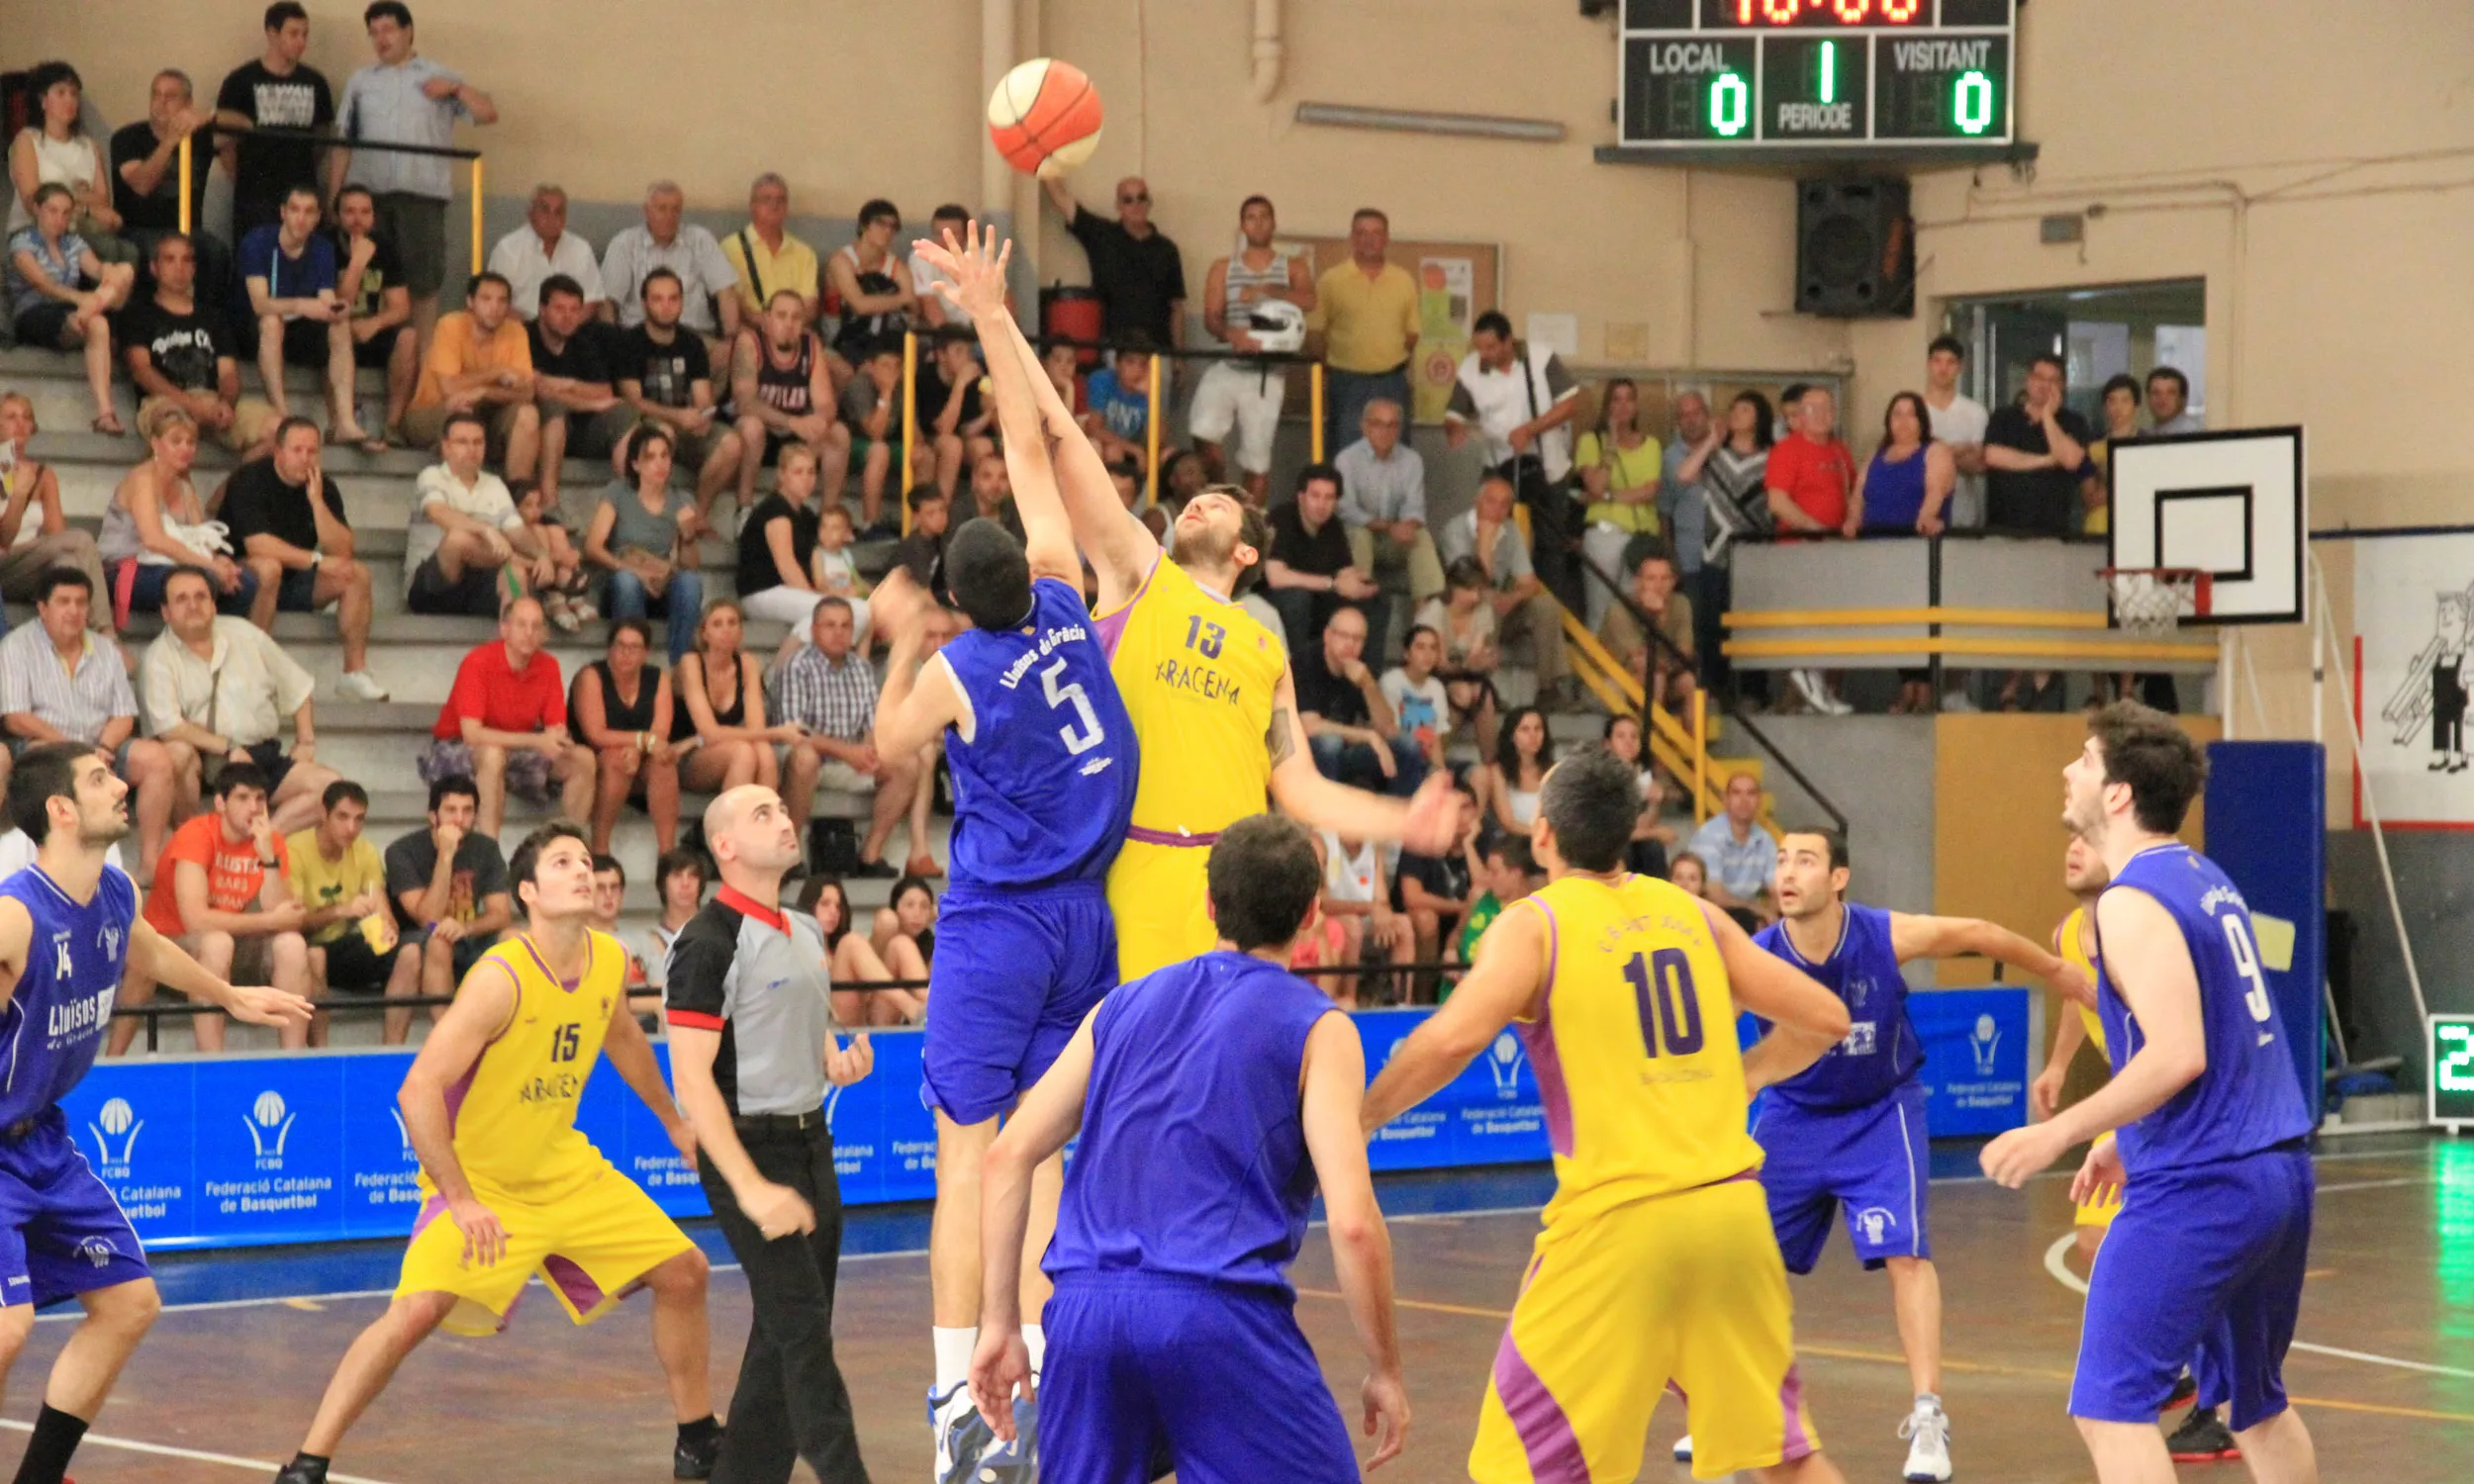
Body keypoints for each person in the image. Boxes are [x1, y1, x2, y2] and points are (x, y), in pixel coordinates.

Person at [910, 226, 1462, 984]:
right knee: (1126, 1080)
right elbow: (1060, 438)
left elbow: (1298, 788)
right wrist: (994, 317)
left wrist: (1406, 821)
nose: (1199, 502)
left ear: (1247, 554)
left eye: (1221, 505)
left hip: (1230, 893)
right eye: (1197, 498)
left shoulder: (1265, 649)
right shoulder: (1142, 573)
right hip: (1135, 867)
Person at [1363, 745, 1856, 1484]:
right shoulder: (1694, 913)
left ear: (1543, 835)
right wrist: (1745, 1078)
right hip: (1730, 1219)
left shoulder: (1535, 926)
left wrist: (1359, 1118)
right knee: (1784, 1460)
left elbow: (1451, 1037)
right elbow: (1826, 1018)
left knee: (1518, 1468)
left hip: (1619, 1230)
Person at [865, 328, 1150, 1470]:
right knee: (1039, 1154)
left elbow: (887, 747)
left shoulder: (957, 668)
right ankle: (1023, 1374)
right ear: (1024, 577)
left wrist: (898, 642)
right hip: (1091, 919)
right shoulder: (1069, 601)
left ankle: (957, 1406)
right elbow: (1032, 457)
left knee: (969, 1157)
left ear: (951, 601)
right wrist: (996, 321)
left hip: (999, 929)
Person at [273, 820, 717, 1484]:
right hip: (484, 1182)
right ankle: (307, 1464)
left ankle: (698, 1441)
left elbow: (621, 1035)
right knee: (414, 1313)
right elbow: (419, 1087)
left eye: (586, 861)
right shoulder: (500, 977)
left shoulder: (605, 957)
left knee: (686, 1272)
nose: (584, 871)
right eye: (564, 863)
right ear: (531, 892)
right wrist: (460, 1197)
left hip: (565, 1171)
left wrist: (675, 1124)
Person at [967, 812, 1405, 1480]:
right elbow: (1352, 1223)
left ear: (1209, 903)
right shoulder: (1321, 1027)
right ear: (1313, 911)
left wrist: (998, 1322)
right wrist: (1384, 1368)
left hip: (1086, 1314)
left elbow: (1006, 1155)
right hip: (1213, 1313)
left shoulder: (1117, 1007)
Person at [1982, 703, 2319, 1484]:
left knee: (2109, 1406)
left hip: (2204, 1188)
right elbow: (2228, 1041)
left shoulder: (2130, 902)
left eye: (2085, 760)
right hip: (2275, 1172)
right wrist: (2123, 1138)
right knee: (2257, 1407)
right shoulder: (2203, 876)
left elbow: (2179, 1054)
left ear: (2119, 795)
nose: (2069, 771)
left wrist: (2056, 1131)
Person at [1709, 828, 2088, 1480]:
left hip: (1880, 1112)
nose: (1788, 872)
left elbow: (1977, 931)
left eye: (1805, 859)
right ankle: (1731, 1404)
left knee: (1906, 1257)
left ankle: (1930, 1418)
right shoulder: (1759, 956)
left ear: (1838, 878)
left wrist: (2055, 970)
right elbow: (1706, 1030)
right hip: (1793, 1118)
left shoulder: (1882, 937)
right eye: (1780, 860)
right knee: (1739, 1260)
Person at [0, 742, 309, 1484]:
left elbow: (147, 950)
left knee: (130, 1303)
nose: (120, 786)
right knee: (9, 1326)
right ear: (61, 810)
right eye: (101, 778)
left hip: (42, 1138)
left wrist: (232, 996)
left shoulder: (113, 892)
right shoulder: (16, 916)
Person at [665, 786, 877, 1484]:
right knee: (805, 1343)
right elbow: (693, 1081)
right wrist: (751, 1189)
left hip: (813, 1147)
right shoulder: (706, 942)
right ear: (724, 847)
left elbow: (803, 1027)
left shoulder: (806, 931)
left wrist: (834, 1061)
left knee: (783, 1337)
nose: (785, 819)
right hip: (747, 1156)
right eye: (763, 814)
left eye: (784, 809)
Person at [330, 0, 498, 342]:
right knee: (366, 277)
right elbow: (343, 140)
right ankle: (373, 358)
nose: (381, 39)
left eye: (388, 29)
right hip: (370, 198)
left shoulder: (438, 77)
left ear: (408, 32)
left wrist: (455, 89)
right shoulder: (361, 82)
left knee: (422, 284)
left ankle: (422, 375)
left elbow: (488, 113)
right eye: (374, 32)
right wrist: (334, 196)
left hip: (421, 198)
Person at [0, 570, 180, 881]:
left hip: (100, 746)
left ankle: (149, 863)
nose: (73, 610)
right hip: (41, 745)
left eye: (81, 602)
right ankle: (49, 863)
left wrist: (105, 748)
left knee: (157, 759)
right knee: (46, 758)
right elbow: (16, 716)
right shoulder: (17, 646)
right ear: (43, 608)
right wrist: (73, 751)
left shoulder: (106, 650)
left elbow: (124, 715)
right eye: (64, 602)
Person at [138, 563, 340, 837]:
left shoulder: (245, 634)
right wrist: (228, 747)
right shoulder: (157, 658)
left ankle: (263, 841)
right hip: (207, 763)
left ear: (213, 604)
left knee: (331, 788)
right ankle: (194, 840)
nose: (193, 605)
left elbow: (299, 687)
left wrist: (306, 741)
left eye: (201, 597)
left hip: (260, 756)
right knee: (176, 753)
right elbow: (169, 726)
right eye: (181, 599)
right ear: (166, 612)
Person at [131, 763, 315, 1053]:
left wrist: (268, 859)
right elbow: (196, 920)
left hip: (232, 947)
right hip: (174, 948)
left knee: (292, 945)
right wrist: (270, 921)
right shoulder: (197, 834)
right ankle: (212, 1061)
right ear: (220, 803)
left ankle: (291, 1060)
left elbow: (286, 919)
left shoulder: (271, 842)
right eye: (242, 798)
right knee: (217, 942)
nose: (254, 808)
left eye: (260, 799)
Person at [218, 417, 387, 698]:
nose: (305, 458)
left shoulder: (323, 487)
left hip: (294, 582)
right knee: (269, 568)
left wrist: (318, 503)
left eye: (312, 451)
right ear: (278, 451)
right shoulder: (250, 479)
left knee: (356, 574)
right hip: (240, 580)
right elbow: (258, 545)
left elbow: (343, 550)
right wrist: (317, 560)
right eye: (297, 450)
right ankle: (252, 668)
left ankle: (354, 674)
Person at [777, 598, 929, 878]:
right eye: (830, 625)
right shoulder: (796, 666)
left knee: (907, 762)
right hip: (807, 759)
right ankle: (790, 855)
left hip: (850, 759)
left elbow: (874, 725)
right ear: (813, 630)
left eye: (846, 626)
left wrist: (870, 751)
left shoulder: (861, 669)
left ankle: (870, 854)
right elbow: (794, 732)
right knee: (804, 758)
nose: (838, 632)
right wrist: (847, 752)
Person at [1446, 311, 1585, 610]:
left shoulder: (1541, 357)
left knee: (1551, 545)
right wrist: (1455, 428)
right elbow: (1453, 414)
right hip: (1498, 469)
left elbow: (1571, 403)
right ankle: (1489, 606)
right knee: (1490, 533)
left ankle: (1548, 612)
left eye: (1491, 347)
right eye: (1479, 347)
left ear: (1509, 341)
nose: (1484, 354)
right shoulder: (1471, 368)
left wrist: (1530, 429)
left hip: (1548, 467)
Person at [424, 598, 596, 837]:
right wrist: (538, 741)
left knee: (584, 759)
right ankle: (490, 855)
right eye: (521, 625)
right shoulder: (478, 662)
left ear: (545, 633)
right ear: (504, 629)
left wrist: (557, 740)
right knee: (494, 754)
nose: (529, 633)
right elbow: (472, 734)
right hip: (458, 748)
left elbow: (555, 728)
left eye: (536, 626)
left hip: (516, 749)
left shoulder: (548, 666)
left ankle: (571, 847)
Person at [1193, 195, 1313, 500]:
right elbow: (1211, 317)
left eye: (1264, 216)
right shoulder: (1223, 267)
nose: (1258, 223)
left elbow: (1309, 300)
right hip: (1229, 364)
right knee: (1203, 436)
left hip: (1266, 373)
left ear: (1273, 223)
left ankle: (1250, 530)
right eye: (1251, 217)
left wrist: (1263, 290)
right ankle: (1220, 500)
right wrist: (1231, 333)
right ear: (1242, 225)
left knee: (1257, 464)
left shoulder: (1293, 267)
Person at [123, 232, 277, 460]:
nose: (179, 267)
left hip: (212, 399)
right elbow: (142, 371)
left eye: (187, 260)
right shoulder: (138, 314)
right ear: (154, 268)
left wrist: (225, 403)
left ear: (194, 268)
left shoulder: (213, 317)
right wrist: (192, 406)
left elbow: (228, 373)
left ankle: (233, 491)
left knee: (281, 431)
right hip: (164, 401)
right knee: (174, 430)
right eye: (170, 259)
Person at [101, 402, 259, 624]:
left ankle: (216, 645)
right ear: (156, 443)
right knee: (194, 581)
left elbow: (200, 538)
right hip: (127, 568)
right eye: (176, 441)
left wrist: (219, 562)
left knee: (245, 583)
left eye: (191, 442)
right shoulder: (142, 479)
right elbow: (154, 540)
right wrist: (209, 566)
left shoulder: (185, 486)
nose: (185, 448)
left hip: (172, 565)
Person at [238, 185, 373, 445]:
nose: (301, 218)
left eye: (309, 211)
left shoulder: (321, 248)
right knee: (271, 323)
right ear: (283, 213)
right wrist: (301, 304)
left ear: (318, 218)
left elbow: (326, 300)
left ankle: (344, 421)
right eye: (295, 210)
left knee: (340, 325)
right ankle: (282, 414)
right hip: (253, 327)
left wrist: (336, 309)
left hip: (299, 329)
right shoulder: (258, 242)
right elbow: (259, 303)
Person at [380, 775, 510, 1045]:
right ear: (432, 815)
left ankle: (515, 1034)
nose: (459, 819)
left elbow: (500, 914)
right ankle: (451, 1039)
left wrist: (466, 927)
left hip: (467, 934)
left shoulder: (486, 849)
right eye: (450, 810)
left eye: (467, 810)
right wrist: (445, 857)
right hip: (419, 937)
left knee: (515, 938)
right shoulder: (402, 851)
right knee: (438, 941)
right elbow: (426, 916)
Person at [616, 266, 749, 517]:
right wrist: (677, 417)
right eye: (657, 299)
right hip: (645, 423)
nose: (666, 306)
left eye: (673, 298)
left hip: (686, 424)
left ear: (682, 302)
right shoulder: (629, 342)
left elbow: (703, 397)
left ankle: (696, 516)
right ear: (644, 303)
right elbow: (632, 399)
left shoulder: (693, 343)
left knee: (731, 443)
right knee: (661, 434)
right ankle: (658, 515)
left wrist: (705, 416)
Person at [1438, 473, 1572, 708]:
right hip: (1461, 612)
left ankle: (1548, 688)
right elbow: (1472, 584)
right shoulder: (1455, 530)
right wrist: (1486, 541)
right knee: (1485, 603)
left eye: (1505, 505)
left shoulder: (1510, 530)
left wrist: (1512, 598)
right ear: (1476, 502)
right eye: (1491, 501)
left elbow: (1529, 582)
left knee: (1545, 604)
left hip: (1501, 608)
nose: (1498, 510)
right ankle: (1483, 685)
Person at [6, 183, 133, 434]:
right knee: (98, 320)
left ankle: (105, 414)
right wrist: (81, 299)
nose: (59, 218)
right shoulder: (22, 241)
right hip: (35, 312)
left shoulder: (72, 242)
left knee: (124, 272)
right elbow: (40, 283)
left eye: (65, 212)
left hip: (73, 312)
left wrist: (111, 274)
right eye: (52, 210)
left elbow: (96, 269)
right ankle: (87, 313)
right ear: (37, 209)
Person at [1858, 393, 1957, 713]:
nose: (1903, 421)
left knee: (1921, 619)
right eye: (1896, 414)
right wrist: (1850, 519)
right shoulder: (1876, 454)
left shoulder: (1935, 451)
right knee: (1897, 623)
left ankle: (1925, 691)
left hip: (1919, 552)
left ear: (1922, 420)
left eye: (1910, 414)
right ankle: (1907, 688)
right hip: (1880, 554)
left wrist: (1925, 518)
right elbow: (1858, 495)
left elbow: (1936, 490)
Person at [287, 780, 416, 1026]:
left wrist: (387, 929)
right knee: (314, 955)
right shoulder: (296, 850)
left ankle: (392, 1052)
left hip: (346, 947)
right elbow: (293, 924)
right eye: (343, 817)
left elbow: (384, 915)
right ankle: (321, 1056)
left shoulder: (365, 851)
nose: (351, 828)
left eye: (359, 819)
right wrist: (340, 911)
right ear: (323, 814)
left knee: (410, 953)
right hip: (306, 946)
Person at [585, 426, 708, 669]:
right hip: (622, 582)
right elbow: (592, 547)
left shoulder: (681, 500)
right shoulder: (618, 492)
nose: (659, 464)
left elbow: (691, 565)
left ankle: (681, 671)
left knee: (690, 583)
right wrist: (632, 570)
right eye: (650, 457)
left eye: (665, 456)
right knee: (626, 582)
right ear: (636, 464)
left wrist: (689, 536)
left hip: (659, 584)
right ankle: (633, 666)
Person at [401, 270, 540, 480]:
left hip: (486, 415)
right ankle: (459, 497)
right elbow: (450, 388)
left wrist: (483, 392)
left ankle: (517, 499)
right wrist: (497, 372)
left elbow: (527, 393)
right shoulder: (450, 325)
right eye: (486, 299)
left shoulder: (516, 331)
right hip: (430, 412)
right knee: (462, 409)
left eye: (502, 301)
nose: (495, 308)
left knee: (528, 415)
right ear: (470, 302)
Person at [217, 3, 336, 238]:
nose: (301, 41)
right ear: (272, 33)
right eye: (294, 33)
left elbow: (322, 136)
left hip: (301, 190)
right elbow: (225, 143)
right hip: (255, 193)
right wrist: (242, 179)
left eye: (305, 34)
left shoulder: (315, 82)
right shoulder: (241, 81)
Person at [1686, 389, 1775, 704]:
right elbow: (1683, 475)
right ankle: (1716, 690)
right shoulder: (1716, 457)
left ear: (1760, 418)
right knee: (1711, 624)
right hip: (1714, 551)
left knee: (1752, 624)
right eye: (1734, 408)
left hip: (1754, 553)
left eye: (1746, 409)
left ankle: (1754, 691)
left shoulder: (1771, 458)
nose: (1737, 414)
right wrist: (1711, 440)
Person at [736, 288, 853, 527]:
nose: (788, 324)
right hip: (762, 431)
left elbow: (825, 404)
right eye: (781, 316)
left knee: (838, 434)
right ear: (767, 320)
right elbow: (745, 402)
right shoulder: (749, 341)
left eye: (795, 317)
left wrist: (818, 421)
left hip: (795, 435)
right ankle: (744, 508)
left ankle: (827, 519)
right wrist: (792, 422)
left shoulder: (811, 345)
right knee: (751, 427)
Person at [1310, 208, 1417, 458]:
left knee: (1395, 455)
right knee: (1346, 453)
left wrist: (1386, 358)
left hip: (1392, 382)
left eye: (1376, 233)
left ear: (1387, 238)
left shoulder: (1404, 280)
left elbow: (1413, 334)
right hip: (1347, 382)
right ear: (1352, 237)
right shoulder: (1331, 280)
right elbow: (1316, 334)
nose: (1369, 239)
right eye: (1361, 233)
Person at [569, 618, 681, 856]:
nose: (626, 654)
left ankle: (667, 854)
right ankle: (600, 850)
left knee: (663, 761)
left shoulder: (657, 678)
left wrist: (639, 750)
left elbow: (660, 732)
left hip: (640, 759)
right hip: (595, 761)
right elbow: (595, 733)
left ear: (646, 652)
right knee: (615, 758)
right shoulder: (591, 676)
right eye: (620, 646)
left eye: (634, 647)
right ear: (609, 648)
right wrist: (641, 741)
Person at [404, 410, 529, 616]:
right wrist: (485, 529)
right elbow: (438, 512)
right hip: (432, 588)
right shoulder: (432, 475)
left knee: (515, 574)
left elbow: (517, 532)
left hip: (476, 585)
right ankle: (513, 560)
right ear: (446, 447)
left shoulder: (494, 484)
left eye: (478, 442)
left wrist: (543, 555)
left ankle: (514, 634)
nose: (472, 449)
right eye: (462, 442)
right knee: (457, 539)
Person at [0, 395, 112, 627]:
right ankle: (105, 632)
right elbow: (3, 540)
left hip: (27, 564)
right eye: (11, 417)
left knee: (68, 560)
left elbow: (57, 536)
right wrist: (19, 495)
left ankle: (72, 639)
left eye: (27, 417)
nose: (21, 424)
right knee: (80, 540)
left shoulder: (43, 475)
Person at [1041, 173, 1185, 352]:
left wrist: (1179, 356)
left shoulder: (1167, 250)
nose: (1136, 205)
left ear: (1149, 203)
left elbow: (1177, 308)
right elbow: (1062, 200)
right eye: (1128, 200)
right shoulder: (1103, 236)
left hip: (1157, 352)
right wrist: (1043, 161)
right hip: (1113, 351)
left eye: (1141, 198)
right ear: (1118, 206)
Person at [6, 61, 131, 267]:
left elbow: (103, 200)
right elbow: (34, 199)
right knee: (107, 249)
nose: (69, 100)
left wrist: (64, 196)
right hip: (36, 229)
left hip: (85, 226)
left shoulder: (89, 146)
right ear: (43, 100)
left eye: (74, 94)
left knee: (129, 251)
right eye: (61, 93)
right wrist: (82, 200)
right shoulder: (28, 140)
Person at [528, 274, 634, 510]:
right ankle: (550, 505)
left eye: (575, 310)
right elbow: (537, 390)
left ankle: (629, 507)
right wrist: (585, 402)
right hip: (541, 428)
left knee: (623, 412)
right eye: (560, 309)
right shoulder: (525, 336)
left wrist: (567, 384)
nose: (568, 317)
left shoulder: (582, 339)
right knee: (553, 409)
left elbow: (604, 392)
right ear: (542, 309)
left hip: (582, 429)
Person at [1262, 460, 1383, 666]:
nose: (1322, 504)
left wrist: (1361, 584)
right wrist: (1333, 583)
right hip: (1274, 596)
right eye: (1315, 496)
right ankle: (1299, 672)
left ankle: (1364, 677)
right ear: (1301, 497)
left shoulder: (1333, 526)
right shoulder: (1281, 518)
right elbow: (1276, 576)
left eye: (1329, 498)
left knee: (1376, 602)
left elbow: (1345, 571)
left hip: (1317, 597)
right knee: (1298, 600)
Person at [109, 70, 222, 290]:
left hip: (189, 230)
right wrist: (169, 142)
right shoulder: (127, 138)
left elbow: (245, 124)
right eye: (156, 95)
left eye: (170, 97)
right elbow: (141, 185)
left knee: (216, 252)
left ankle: (205, 319)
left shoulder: (200, 136)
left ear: (187, 103)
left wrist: (209, 114)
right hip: (140, 229)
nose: (161, 102)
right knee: (158, 253)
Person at [672, 599, 791, 804]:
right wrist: (776, 733)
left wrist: (763, 735)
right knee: (744, 751)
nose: (726, 629)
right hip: (681, 755)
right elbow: (709, 732)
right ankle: (730, 828)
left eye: (732, 622)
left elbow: (756, 728)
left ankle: (761, 830)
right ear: (704, 633)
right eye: (717, 624)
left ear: (741, 631)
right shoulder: (690, 662)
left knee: (765, 752)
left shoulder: (747, 663)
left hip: (721, 745)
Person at [600, 181, 741, 350]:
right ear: (646, 211)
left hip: (696, 339)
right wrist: (610, 344)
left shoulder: (700, 240)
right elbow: (608, 301)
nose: (669, 216)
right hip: (639, 341)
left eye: (675, 209)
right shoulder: (624, 244)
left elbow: (725, 292)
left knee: (732, 352)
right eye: (662, 209)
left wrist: (729, 341)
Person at [329, 184, 419, 443]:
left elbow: (402, 307)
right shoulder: (324, 245)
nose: (358, 219)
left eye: (365, 212)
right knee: (338, 330)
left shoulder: (385, 247)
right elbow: (337, 305)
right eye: (350, 212)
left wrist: (375, 323)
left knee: (409, 336)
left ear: (373, 217)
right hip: (335, 329)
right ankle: (338, 422)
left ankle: (391, 426)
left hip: (371, 330)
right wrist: (357, 263)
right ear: (337, 216)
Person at [1335, 398, 1443, 610]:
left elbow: (1414, 507)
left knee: (1420, 536)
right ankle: (1359, 609)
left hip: (1393, 539)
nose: (1385, 431)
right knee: (1359, 533)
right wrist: (1388, 526)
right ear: (1364, 426)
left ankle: (1424, 623)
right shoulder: (1347, 459)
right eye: (1378, 424)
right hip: (1358, 537)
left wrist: (1408, 525)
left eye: (1392, 425)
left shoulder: (1412, 460)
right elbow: (1346, 510)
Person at [1295, 603, 1415, 795]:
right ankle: (1325, 823)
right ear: (1327, 635)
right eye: (1343, 636)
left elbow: (1387, 728)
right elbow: (1309, 726)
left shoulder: (1360, 666)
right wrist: (1366, 735)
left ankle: (1402, 818)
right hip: (1303, 755)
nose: (1350, 644)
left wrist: (1368, 685)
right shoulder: (1306, 661)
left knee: (1406, 744)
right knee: (1329, 742)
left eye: (1358, 639)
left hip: (1345, 752)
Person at [1576, 378, 1665, 631]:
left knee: (1637, 611)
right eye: (1616, 399)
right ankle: (1597, 668)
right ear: (1607, 406)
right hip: (1604, 535)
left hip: (1640, 538)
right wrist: (1611, 446)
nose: (1623, 405)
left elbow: (1648, 491)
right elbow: (1595, 485)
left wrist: (1605, 497)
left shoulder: (1652, 445)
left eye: (1629, 399)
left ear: (1636, 406)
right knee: (1600, 610)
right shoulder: (1590, 441)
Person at [1983, 351, 2093, 537]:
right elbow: (1993, 456)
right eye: (2039, 377)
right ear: (2028, 381)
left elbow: (2071, 460)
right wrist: (2048, 460)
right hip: (2003, 529)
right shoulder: (2003, 417)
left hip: (2054, 531)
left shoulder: (2074, 421)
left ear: (2062, 386)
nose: (2044, 385)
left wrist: (2048, 416)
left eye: (2053, 380)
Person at [806, 875, 927, 1028]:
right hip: (830, 1032)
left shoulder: (841, 949)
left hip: (869, 1022)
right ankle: (915, 1009)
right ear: (809, 904)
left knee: (900, 943)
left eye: (838, 906)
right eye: (825, 904)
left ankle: (934, 1009)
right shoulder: (795, 947)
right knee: (851, 942)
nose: (833, 911)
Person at [1415, 555, 1502, 758]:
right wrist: (1467, 665)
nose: (1476, 597)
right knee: (1462, 693)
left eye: (1479, 590)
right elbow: (1439, 663)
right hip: (1433, 675)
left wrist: (1484, 661)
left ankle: (1491, 765)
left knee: (1483, 695)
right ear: (1454, 588)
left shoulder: (1482, 611)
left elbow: (1483, 651)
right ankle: (1432, 758)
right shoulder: (1435, 611)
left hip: (1467, 675)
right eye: (1470, 590)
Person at [1598, 547, 1697, 713]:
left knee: (1689, 681)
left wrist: (1669, 666)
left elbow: (1686, 652)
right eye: (1651, 578)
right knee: (1655, 677)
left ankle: (1694, 739)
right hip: (1618, 679)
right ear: (1638, 582)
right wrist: (1658, 617)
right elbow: (1642, 663)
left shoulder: (1681, 603)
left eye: (1665, 579)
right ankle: (1652, 736)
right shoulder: (1619, 609)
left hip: (1663, 674)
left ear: (1673, 582)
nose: (1659, 586)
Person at [485, 182, 602, 320]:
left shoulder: (581, 249)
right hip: (520, 328)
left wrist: (568, 325)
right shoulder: (508, 249)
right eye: (545, 210)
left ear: (565, 217)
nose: (552, 218)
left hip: (571, 329)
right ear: (530, 214)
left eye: (559, 212)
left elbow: (592, 300)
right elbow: (496, 301)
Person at [721, 172, 820, 329]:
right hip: (750, 331)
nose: (774, 206)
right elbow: (734, 304)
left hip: (794, 331)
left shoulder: (804, 253)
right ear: (752, 205)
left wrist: (787, 326)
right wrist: (768, 324)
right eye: (766, 199)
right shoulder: (730, 248)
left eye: (781, 200)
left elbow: (809, 307)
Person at [825, 199, 915, 365]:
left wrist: (901, 302)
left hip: (888, 340)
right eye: (881, 224)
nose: (888, 231)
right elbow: (860, 305)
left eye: (893, 226)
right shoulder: (841, 261)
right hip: (844, 339)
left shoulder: (896, 265)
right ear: (863, 226)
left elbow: (913, 306)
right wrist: (900, 299)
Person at [1685, 772, 1780, 924]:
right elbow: (1715, 895)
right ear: (1725, 799)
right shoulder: (1709, 835)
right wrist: (1759, 910)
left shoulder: (1765, 840)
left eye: (1751, 793)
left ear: (1759, 801)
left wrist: (1770, 918)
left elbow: (1777, 891)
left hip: (1748, 915)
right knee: (1745, 918)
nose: (1744, 801)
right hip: (1710, 915)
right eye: (1736, 793)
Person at [913, 331, 998, 503]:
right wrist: (959, 385)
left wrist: (990, 411)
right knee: (952, 445)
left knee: (983, 445)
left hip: (957, 438)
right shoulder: (927, 378)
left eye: (968, 352)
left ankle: (982, 511)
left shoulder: (974, 381)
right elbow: (943, 429)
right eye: (959, 351)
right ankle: (942, 510)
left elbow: (967, 430)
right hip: (927, 439)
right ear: (941, 355)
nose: (966, 358)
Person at [1922, 335, 1990, 531]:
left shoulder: (1975, 412)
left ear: (1960, 367)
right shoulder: (1915, 411)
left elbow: (1979, 464)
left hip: (1964, 513)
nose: (1943, 368)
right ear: (1928, 364)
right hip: (1921, 512)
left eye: (1950, 362)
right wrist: (1960, 450)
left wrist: (1938, 451)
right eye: (1937, 361)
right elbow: (1912, 459)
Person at [1604, 712, 1679, 878]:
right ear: (1608, 744)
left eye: (1634, 736)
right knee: (1625, 851)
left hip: (1632, 842)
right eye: (1621, 736)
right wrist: (1656, 832)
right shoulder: (1602, 779)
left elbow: (1645, 825)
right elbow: (1613, 832)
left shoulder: (1642, 776)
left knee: (1653, 848)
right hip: (1605, 847)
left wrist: (1654, 802)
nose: (1629, 742)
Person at [1473, 705, 1553, 840]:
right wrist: (1541, 835)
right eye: (1525, 729)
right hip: (1514, 844)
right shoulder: (1498, 771)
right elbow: (1508, 823)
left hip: (1546, 842)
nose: (1533, 735)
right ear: (1511, 736)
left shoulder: (1552, 770)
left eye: (1538, 729)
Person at [1380, 623, 1451, 773]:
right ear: (1406, 653)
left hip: (1425, 759)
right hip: (1396, 758)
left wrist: (1440, 771)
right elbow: (1391, 733)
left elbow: (1436, 738)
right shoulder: (1391, 681)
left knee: (1476, 773)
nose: (1428, 654)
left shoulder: (1436, 687)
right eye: (1420, 647)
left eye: (1433, 648)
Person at [1077, 339, 1155, 471]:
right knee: (1113, 451)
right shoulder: (1102, 380)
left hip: (1130, 449)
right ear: (1117, 363)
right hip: (1097, 443)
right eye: (1130, 362)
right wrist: (1135, 450)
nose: (1136, 370)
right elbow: (1094, 428)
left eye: (1142, 365)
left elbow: (1158, 441)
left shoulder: (1147, 389)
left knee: (1164, 456)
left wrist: (1152, 398)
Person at [643, 846, 705, 993]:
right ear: (662, 884)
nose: (685, 884)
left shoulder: (718, 932)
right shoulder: (648, 940)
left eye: (692, 876)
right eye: (677, 876)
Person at [2145, 367, 2203, 434]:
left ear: (2182, 399)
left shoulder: (2194, 435)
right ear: (2148, 398)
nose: (2162, 398)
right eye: (2156, 392)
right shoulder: (2146, 433)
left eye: (2170, 393)